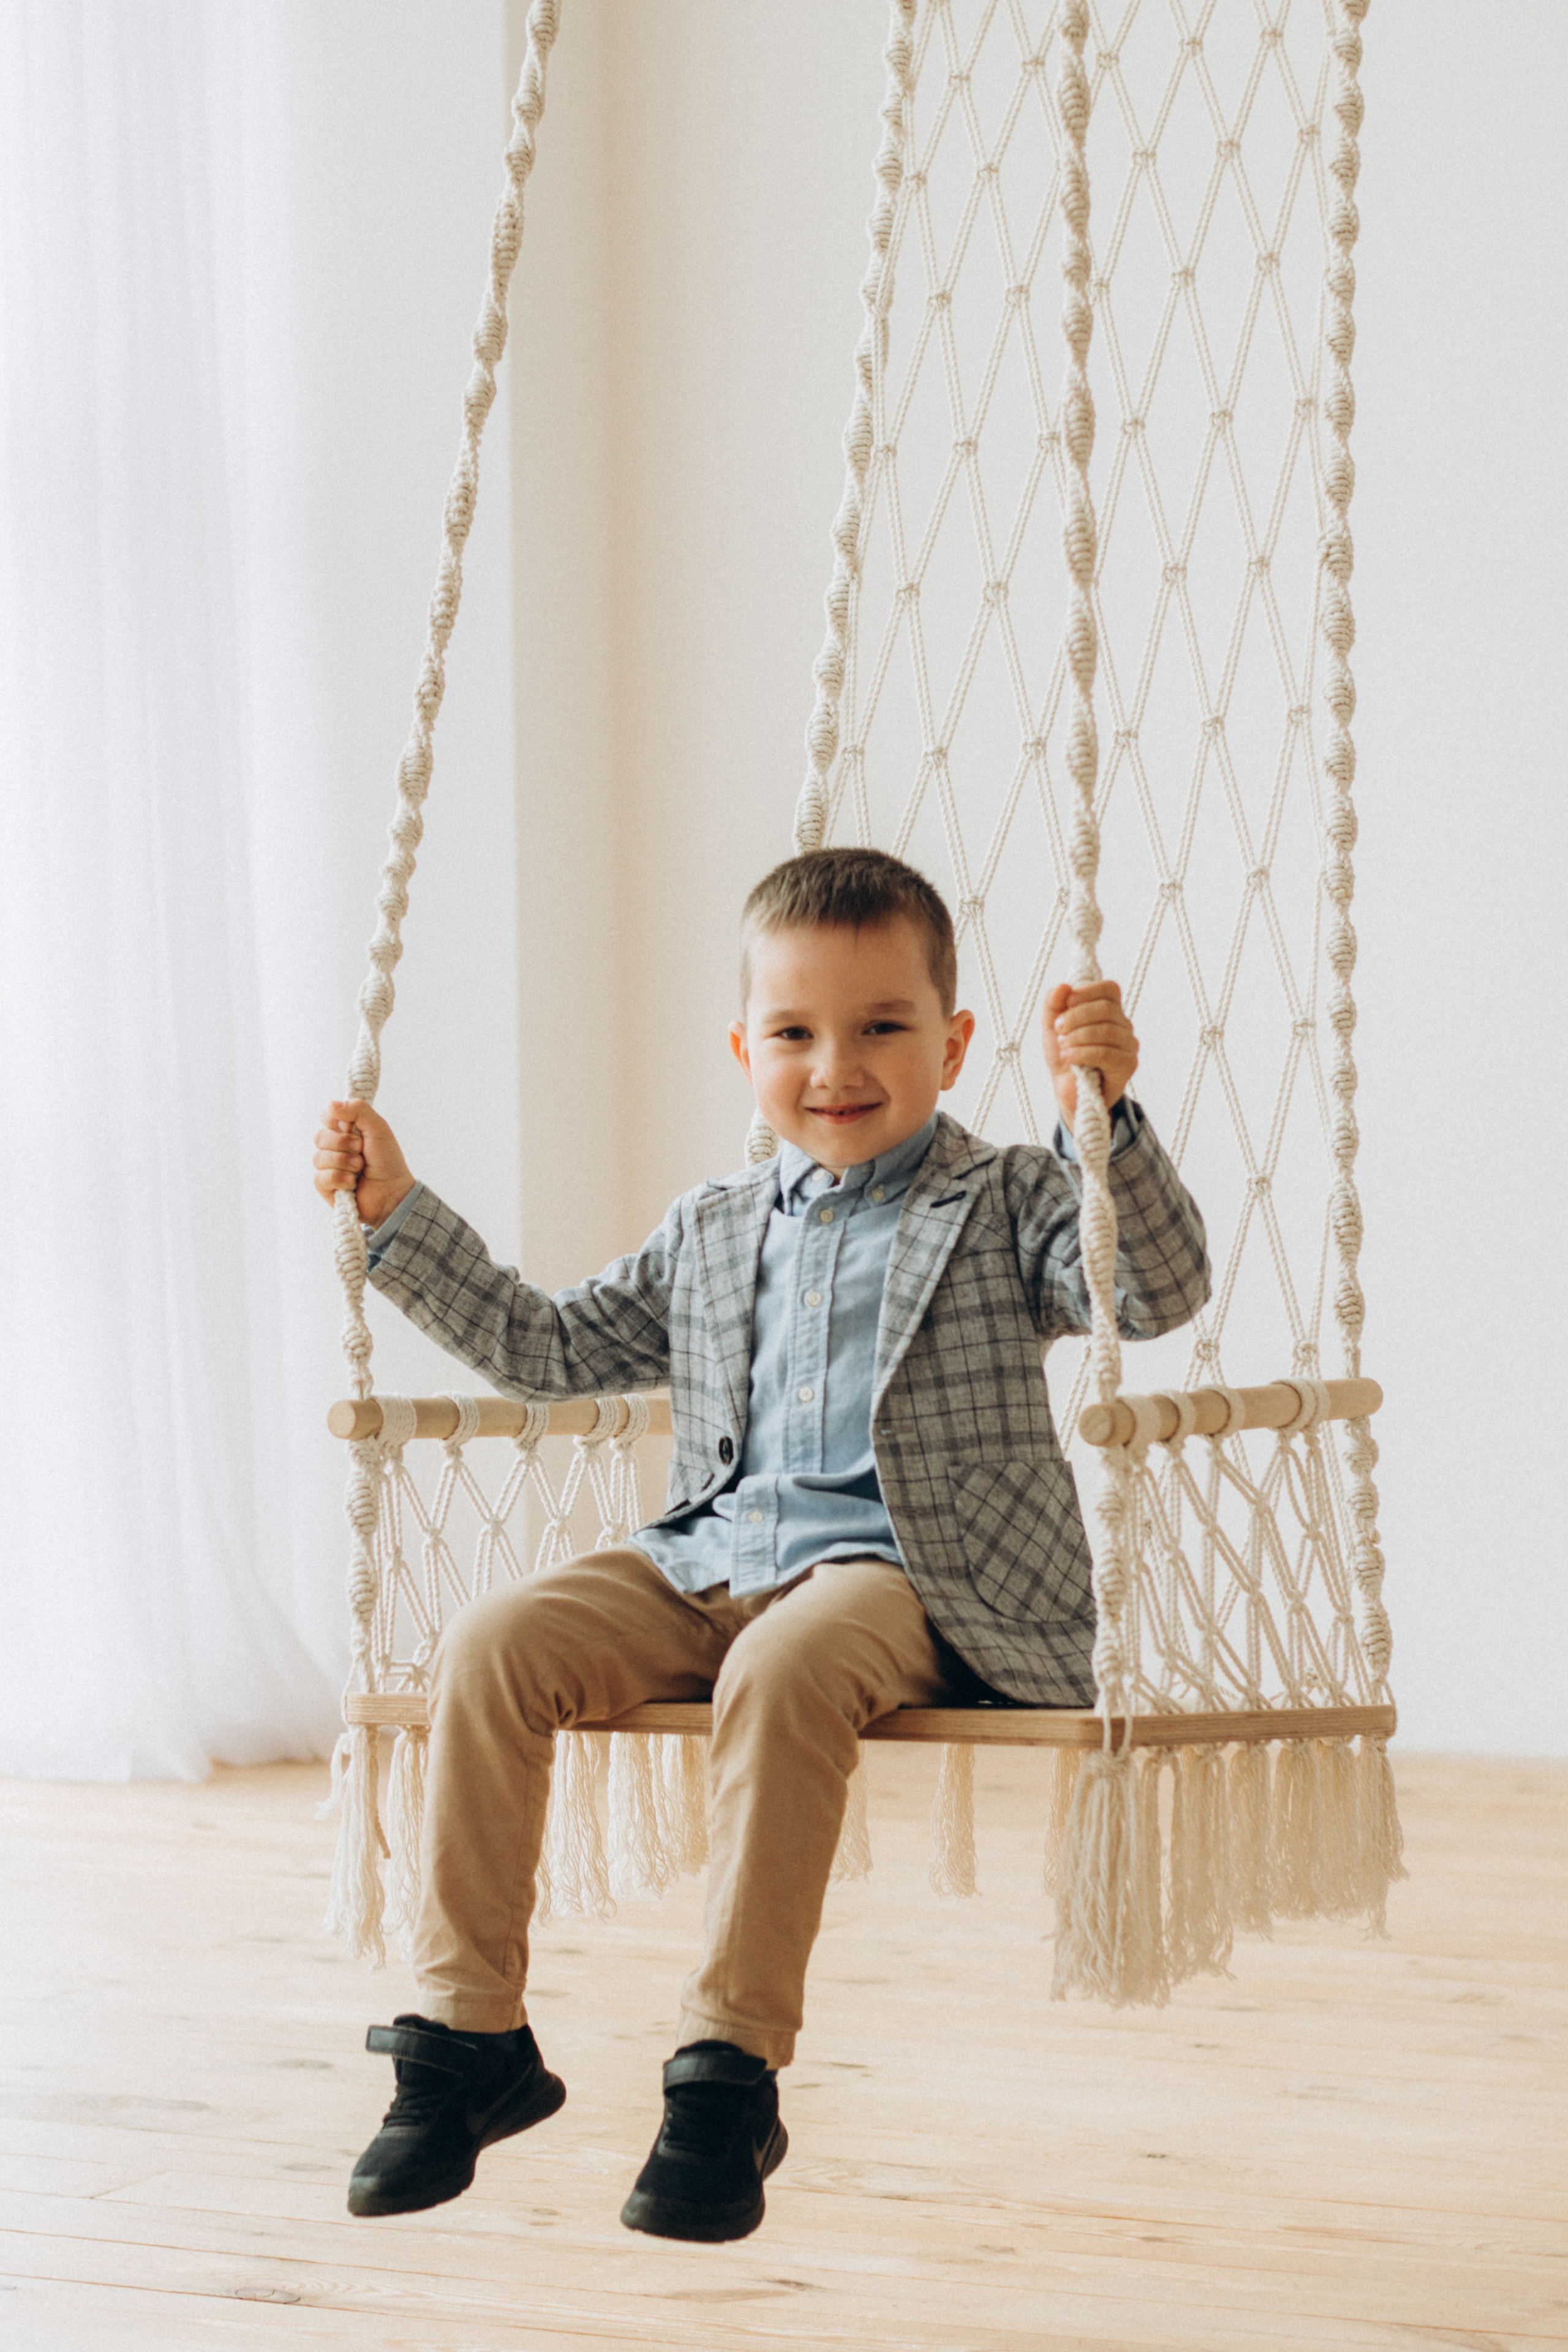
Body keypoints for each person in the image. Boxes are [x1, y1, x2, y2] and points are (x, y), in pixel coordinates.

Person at [312, 846, 1210, 2244]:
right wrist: (396, 1217)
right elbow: (543, 1348)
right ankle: (468, 2036)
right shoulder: (714, 1229)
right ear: (744, 1051)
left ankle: (724, 2072)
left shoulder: (1011, 1200)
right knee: (492, 1643)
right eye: (793, 1034)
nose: (833, 1066)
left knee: (785, 1666)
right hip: (706, 1557)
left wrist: (1106, 1119)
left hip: (902, 1577)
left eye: (879, 1028)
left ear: (954, 1043)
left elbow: (1148, 1288)